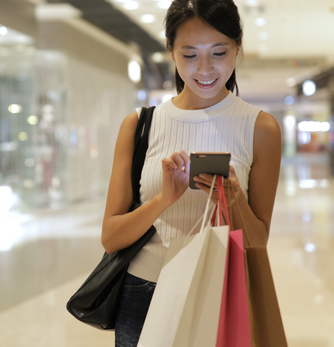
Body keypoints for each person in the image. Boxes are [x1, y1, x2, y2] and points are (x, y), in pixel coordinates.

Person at [100, 0, 282, 345]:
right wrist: (164, 199)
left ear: (237, 47)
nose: (205, 69)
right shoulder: (139, 126)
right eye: (189, 55)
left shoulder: (260, 128)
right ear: (170, 50)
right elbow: (111, 237)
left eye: (218, 52)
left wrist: (233, 200)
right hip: (143, 293)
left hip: (222, 291)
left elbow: (258, 241)